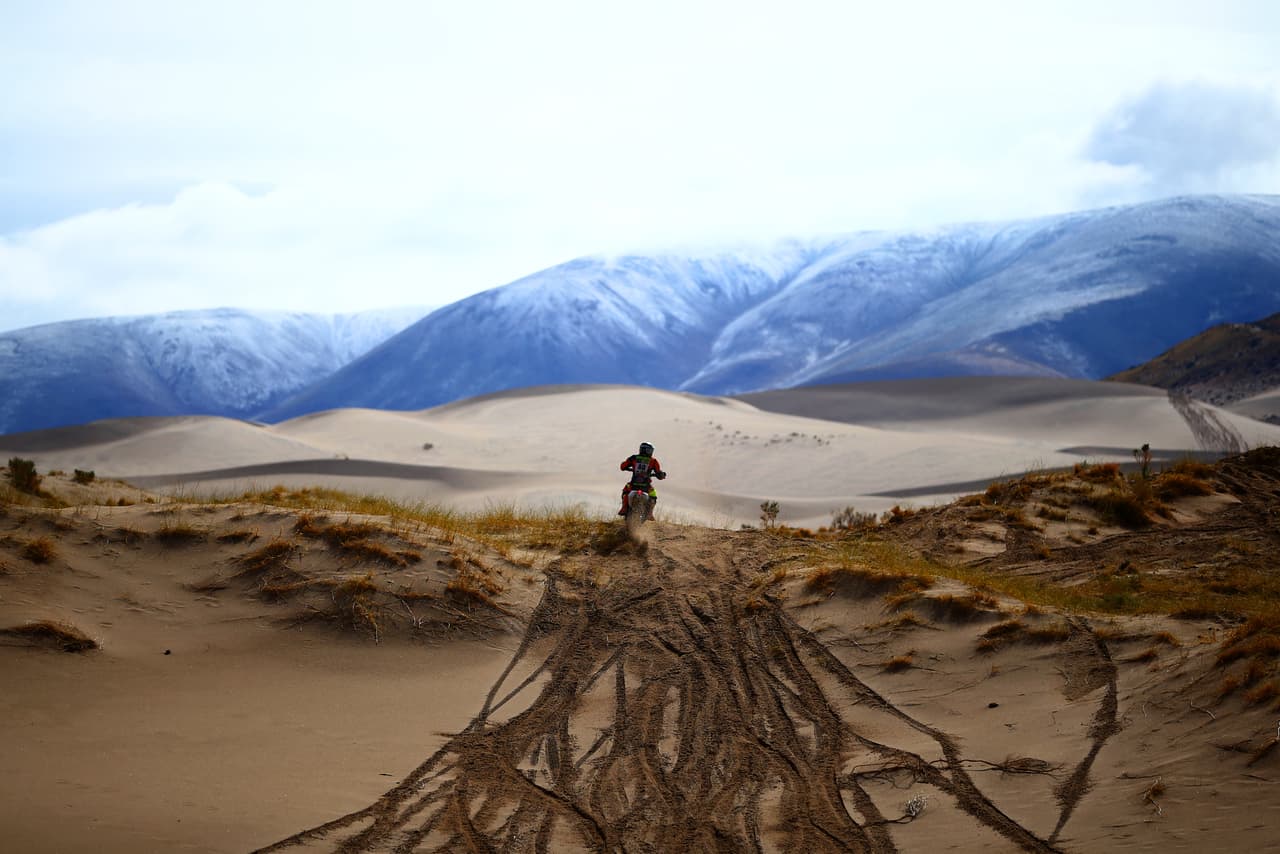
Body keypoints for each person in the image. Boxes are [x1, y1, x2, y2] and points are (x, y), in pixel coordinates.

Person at [619, 441, 667, 519]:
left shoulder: (633, 458)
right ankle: (650, 514)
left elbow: (622, 466)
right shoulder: (653, 461)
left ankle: (624, 508)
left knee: (625, 490)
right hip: (646, 486)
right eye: (649, 450)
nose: (650, 452)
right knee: (653, 495)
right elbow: (658, 473)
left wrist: (626, 467)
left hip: (633, 485)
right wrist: (661, 475)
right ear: (646, 450)